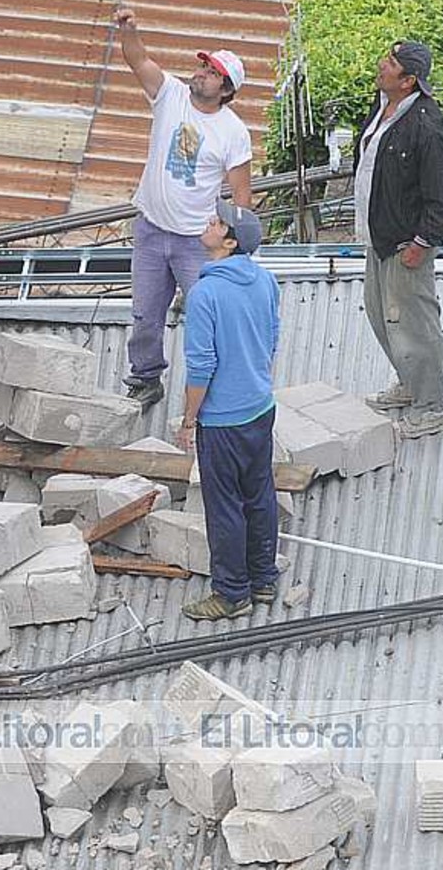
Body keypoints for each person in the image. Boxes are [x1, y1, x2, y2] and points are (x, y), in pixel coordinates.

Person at [114, 6, 254, 409]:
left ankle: (217, 388)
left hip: (196, 242)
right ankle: (146, 378)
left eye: (211, 73)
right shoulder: (171, 95)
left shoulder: (233, 132)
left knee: (208, 318)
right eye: (202, 67)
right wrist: (129, 30)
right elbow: (138, 60)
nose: (201, 74)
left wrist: (233, 249)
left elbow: (241, 195)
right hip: (151, 229)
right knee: (145, 315)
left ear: (226, 89)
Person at [175, 201, 281, 622]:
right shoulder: (265, 280)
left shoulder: (205, 294)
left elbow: (201, 365)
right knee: (260, 494)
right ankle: (263, 578)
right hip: (260, 407)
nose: (209, 223)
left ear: (230, 242)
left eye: (217, 223)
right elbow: (272, 336)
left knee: (224, 507)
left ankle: (232, 593)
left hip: (223, 421)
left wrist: (189, 419)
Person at [355, 41, 443, 439]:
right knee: (380, 314)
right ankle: (410, 382)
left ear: (409, 81)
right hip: (379, 238)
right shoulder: (383, 106)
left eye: (391, 63)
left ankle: (434, 406)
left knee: (413, 326)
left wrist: (422, 242)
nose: (381, 65)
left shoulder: (426, 126)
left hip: (405, 246)